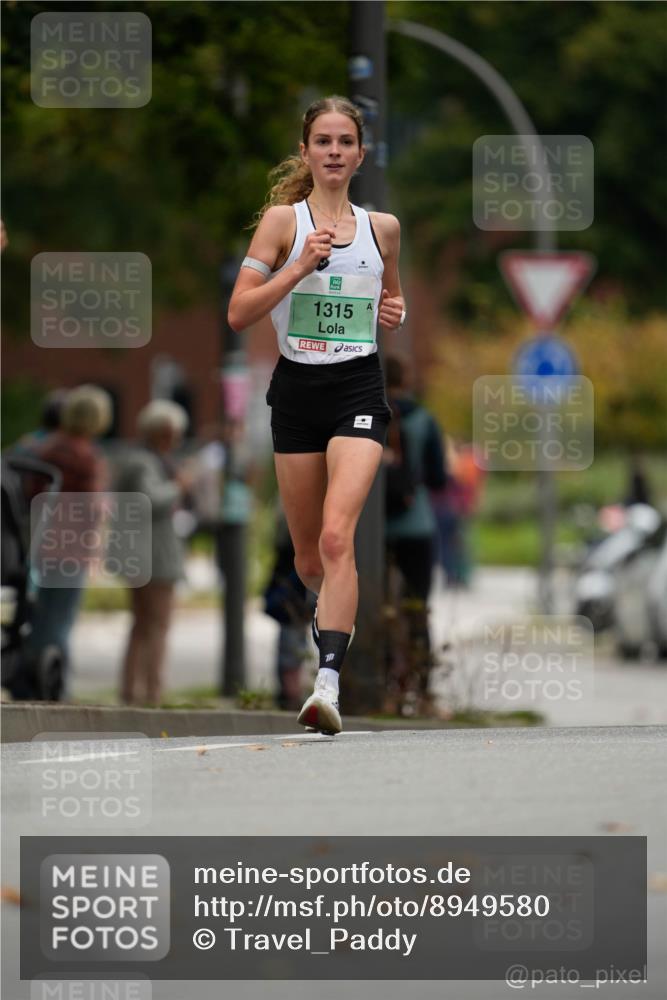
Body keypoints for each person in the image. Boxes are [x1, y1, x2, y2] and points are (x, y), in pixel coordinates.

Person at [228, 95, 406, 734]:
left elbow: (390, 297)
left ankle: (327, 684)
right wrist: (299, 266)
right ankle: (327, 619)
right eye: (323, 141)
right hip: (297, 393)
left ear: (361, 154)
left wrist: (395, 310)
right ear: (305, 152)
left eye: (345, 142)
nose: (334, 151)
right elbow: (240, 312)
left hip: (357, 389)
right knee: (310, 560)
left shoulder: (383, 229)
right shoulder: (284, 222)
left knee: (337, 538)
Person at [23, 384, 112, 699]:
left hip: (41, 544)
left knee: (42, 619)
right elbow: (91, 509)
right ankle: (53, 691)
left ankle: (30, 684)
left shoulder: (46, 450)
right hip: (71, 549)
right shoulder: (86, 456)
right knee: (59, 623)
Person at [115, 400, 193, 706]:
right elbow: (151, 500)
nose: (178, 439)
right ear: (164, 432)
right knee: (157, 625)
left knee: (142, 624)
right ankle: (151, 692)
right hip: (154, 557)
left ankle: (132, 691)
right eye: (176, 433)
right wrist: (179, 486)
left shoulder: (139, 459)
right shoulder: (144, 463)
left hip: (144, 554)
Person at [383, 351, 447, 712]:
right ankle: (423, 692)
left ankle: (384, 689)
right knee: (417, 608)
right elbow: (439, 478)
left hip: (372, 530)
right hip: (416, 525)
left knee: (376, 608)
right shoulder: (423, 420)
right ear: (405, 380)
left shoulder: (365, 413)